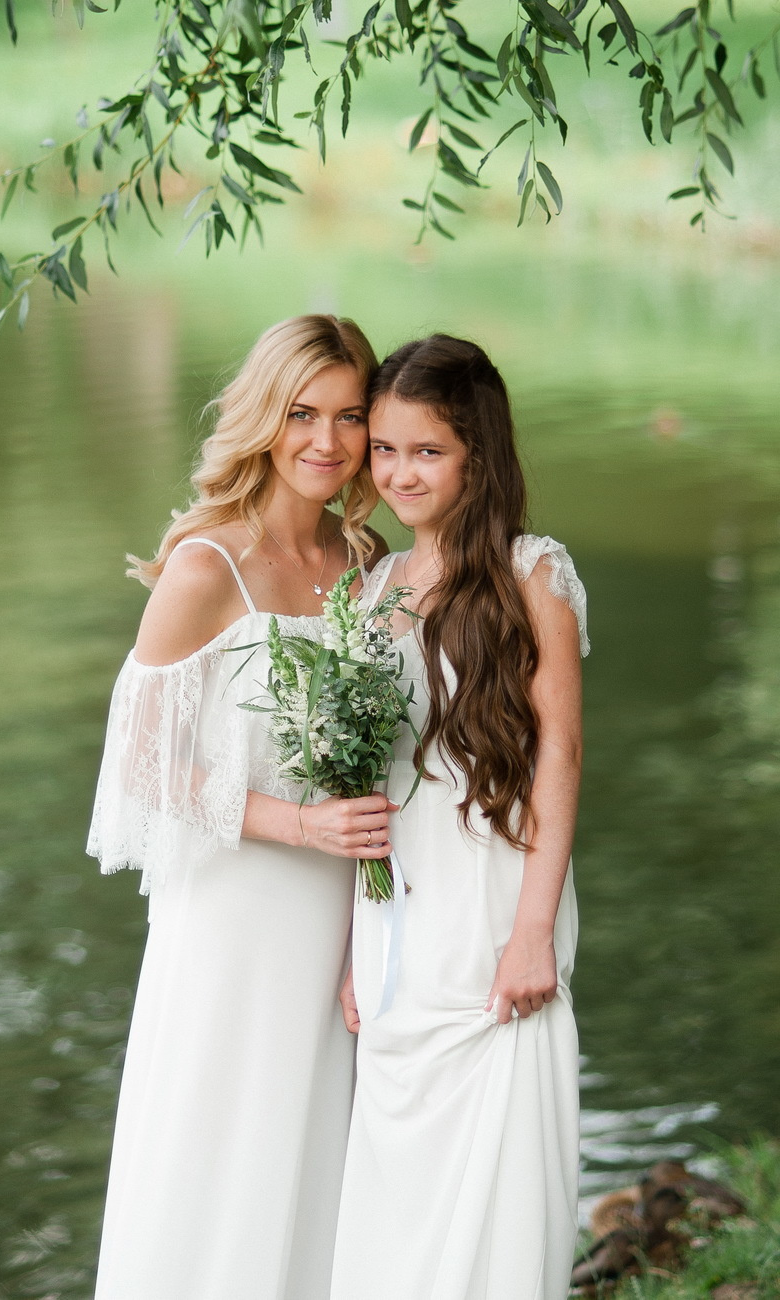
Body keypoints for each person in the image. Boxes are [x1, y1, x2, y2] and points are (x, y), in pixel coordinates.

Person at [86, 315, 395, 1300]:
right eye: (303, 412)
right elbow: (139, 768)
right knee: (221, 1137)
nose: (328, 440)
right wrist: (297, 823)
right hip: (234, 904)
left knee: (315, 1139)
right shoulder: (205, 567)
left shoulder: (364, 558)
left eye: (351, 416)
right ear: (264, 417)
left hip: (339, 907)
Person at [331, 335, 590, 1300]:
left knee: (501, 1157)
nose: (399, 472)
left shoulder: (533, 573)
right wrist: (351, 950)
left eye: (427, 451)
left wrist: (532, 932)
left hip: (495, 892)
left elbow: (558, 753)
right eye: (386, 448)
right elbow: (359, 786)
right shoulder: (370, 590)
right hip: (399, 909)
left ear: (478, 453)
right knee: (399, 1159)